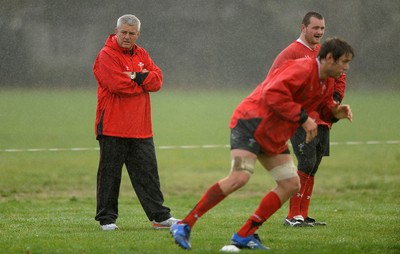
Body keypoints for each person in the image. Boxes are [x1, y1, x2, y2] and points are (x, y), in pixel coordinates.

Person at [170, 38, 354, 250]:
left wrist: (335, 113)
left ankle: (244, 234)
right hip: (250, 123)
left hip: (273, 134)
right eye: (344, 61)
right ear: (329, 58)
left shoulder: (327, 81)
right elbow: (272, 93)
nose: (346, 67)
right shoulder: (302, 68)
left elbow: (323, 107)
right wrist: (303, 118)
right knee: (239, 177)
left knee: (291, 184)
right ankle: (184, 225)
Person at [93, 14, 178, 231]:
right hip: (113, 126)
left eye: (132, 33)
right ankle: (107, 220)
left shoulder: (142, 54)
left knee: (148, 175)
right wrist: (141, 79)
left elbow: (157, 81)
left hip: (141, 128)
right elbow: (117, 85)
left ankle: (160, 217)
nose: (127, 37)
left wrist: (136, 76)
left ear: (137, 34)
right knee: (109, 176)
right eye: (123, 32)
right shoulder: (106, 55)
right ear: (116, 31)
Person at [268, 11, 346, 227]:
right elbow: (273, 84)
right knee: (306, 161)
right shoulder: (290, 53)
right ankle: (293, 216)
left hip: (323, 118)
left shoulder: (325, 52)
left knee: (314, 165)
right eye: (315, 28)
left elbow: (340, 75)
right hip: (299, 119)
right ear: (303, 28)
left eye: (322, 28)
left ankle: (303, 214)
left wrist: (337, 98)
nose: (319, 32)